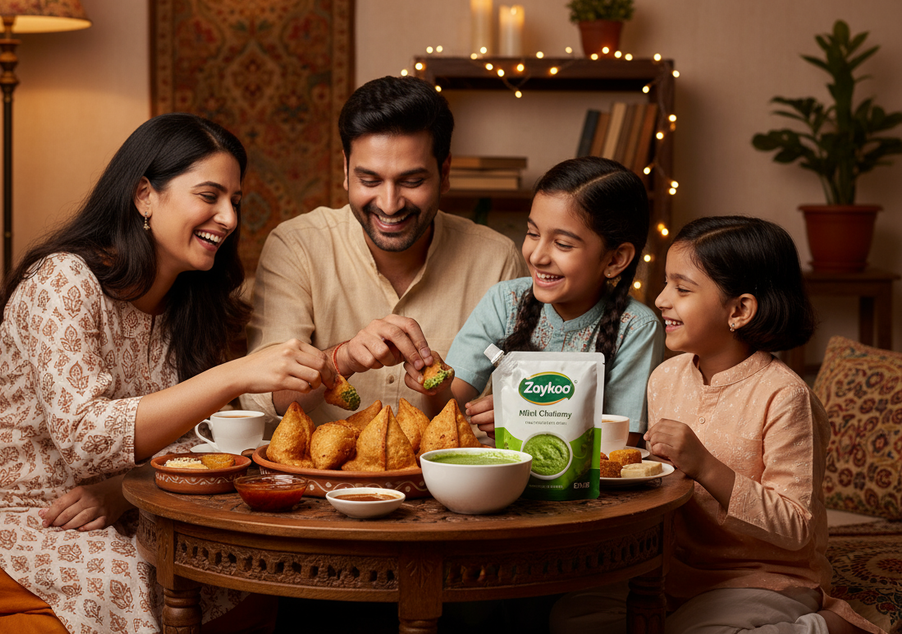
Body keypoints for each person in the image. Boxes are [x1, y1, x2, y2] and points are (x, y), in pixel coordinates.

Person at [0, 113, 333, 634]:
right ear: (145, 195)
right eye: (209, 196)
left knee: (243, 589)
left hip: (109, 514)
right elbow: (86, 438)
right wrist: (235, 375)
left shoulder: (192, 305)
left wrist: (123, 489)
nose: (228, 218)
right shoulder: (63, 281)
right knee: (125, 598)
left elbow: (202, 444)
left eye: (236, 201)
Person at [551, 215, 883, 634]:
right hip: (675, 569)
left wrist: (707, 467)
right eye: (666, 284)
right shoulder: (665, 378)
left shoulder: (785, 396)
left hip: (763, 577)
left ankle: (833, 626)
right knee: (572, 618)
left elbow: (798, 526)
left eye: (682, 288)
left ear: (740, 310)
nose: (661, 299)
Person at [241, 76, 525, 425]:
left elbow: (515, 404)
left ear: (445, 172)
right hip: (322, 478)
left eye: (412, 181)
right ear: (346, 171)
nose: (390, 205)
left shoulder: (496, 259)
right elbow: (260, 404)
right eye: (370, 180)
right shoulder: (296, 245)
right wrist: (340, 360)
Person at [436, 156, 664, 440]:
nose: (537, 255)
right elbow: (448, 405)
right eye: (532, 233)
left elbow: (621, 442)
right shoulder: (505, 300)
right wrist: (432, 381)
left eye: (562, 244)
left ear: (616, 259)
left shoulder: (636, 328)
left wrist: (523, 416)